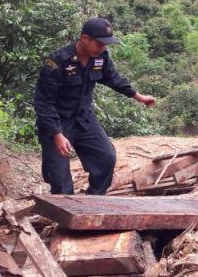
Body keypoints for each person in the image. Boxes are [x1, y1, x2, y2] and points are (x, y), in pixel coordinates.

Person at [34, 17, 156, 195]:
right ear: (85, 38)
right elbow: (43, 103)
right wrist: (57, 135)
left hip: (84, 118)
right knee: (59, 177)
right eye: (99, 44)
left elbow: (113, 78)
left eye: (105, 44)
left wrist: (139, 97)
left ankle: (93, 200)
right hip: (57, 122)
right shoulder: (56, 62)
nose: (103, 48)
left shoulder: (100, 57)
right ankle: (66, 210)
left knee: (106, 158)